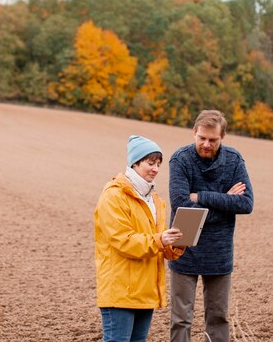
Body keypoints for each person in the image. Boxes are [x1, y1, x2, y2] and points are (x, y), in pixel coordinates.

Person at [168, 110, 254, 342]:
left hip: (219, 252)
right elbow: (180, 205)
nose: (206, 144)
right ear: (194, 133)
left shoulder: (234, 160)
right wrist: (225, 201)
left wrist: (201, 197)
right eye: (201, 138)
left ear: (223, 137)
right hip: (183, 248)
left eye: (212, 140)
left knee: (218, 318)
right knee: (181, 319)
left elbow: (246, 204)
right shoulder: (180, 159)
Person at [94, 135, 186, 342]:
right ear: (134, 162)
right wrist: (160, 239)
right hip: (121, 290)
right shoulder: (114, 196)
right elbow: (122, 240)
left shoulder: (153, 198)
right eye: (150, 163)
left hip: (145, 290)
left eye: (158, 164)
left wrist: (176, 244)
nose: (155, 168)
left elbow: (156, 240)